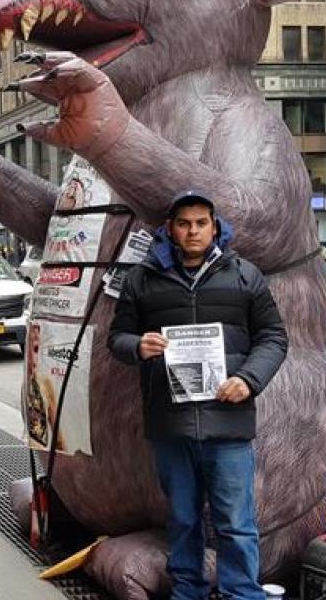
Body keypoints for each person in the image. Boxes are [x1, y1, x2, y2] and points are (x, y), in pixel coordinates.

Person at [107, 191, 288, 600]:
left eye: (201, 223)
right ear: (170, 228)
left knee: (235, 522)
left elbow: (274, 337)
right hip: (170, 423)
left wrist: (248, 379)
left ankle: (241, 593)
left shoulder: (245, 275)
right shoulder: (142, 279)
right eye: (184, 223)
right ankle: (187, 592)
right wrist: (137, 346)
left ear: (215, 227)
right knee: (183, 519)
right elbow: (115, 338)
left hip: (228, 420)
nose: (193, 231)